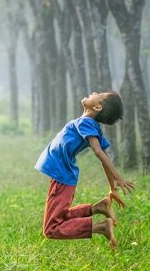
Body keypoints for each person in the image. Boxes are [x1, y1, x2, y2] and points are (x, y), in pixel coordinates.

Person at [34, 90, 135, 249]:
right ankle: (97, 208)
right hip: (62, 175)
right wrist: (112, 187)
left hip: (62, 176)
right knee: (60, 217)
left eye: (99, 95)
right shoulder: (90, 125)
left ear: (97, 107)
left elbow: (99, 152)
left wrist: (117, 177)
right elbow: (104, 156)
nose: (94, 92)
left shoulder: (86, 123)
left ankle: (101, 227)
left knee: (51, 229)